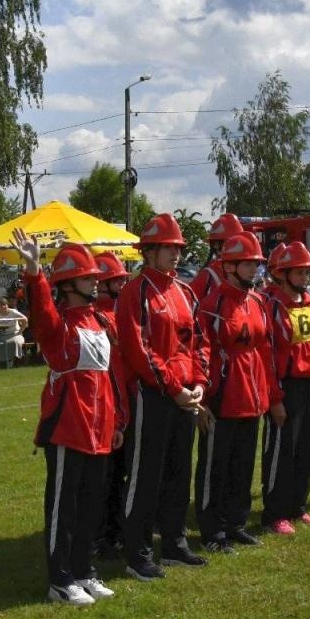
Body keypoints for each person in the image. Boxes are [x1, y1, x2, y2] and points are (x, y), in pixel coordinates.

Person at [13, 230, 127, 606]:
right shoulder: (58, 325)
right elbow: (41, 311)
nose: (95, 280)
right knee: (64, 509)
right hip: (68, 429)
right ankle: (60, 580)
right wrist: (34, 271)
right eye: (87, 276)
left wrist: (119, 422)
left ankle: (84, 572)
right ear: (67, 284)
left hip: (100, 430)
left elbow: (111, 378)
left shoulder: (99, 322)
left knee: (91, 508)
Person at [116, 212, 208, 579]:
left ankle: (174, 543)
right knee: (145, 475)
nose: (176, 254)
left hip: (185, 395)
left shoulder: (184, 292)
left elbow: (199, 342)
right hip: (153, 396)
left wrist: (199, 383)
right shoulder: (134, 292)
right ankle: (137, 553)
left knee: (177, 472)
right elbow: (139, 349)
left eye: (178, 248)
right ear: (149, 252)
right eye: (168, 248)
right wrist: (175, 389)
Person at [193, 232, 276, 552]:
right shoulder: (212, 305)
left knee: (242, 467)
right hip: (222, 400)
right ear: (229, 267)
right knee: (215, 468)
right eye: (249, 263)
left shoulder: (257, 301)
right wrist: (203, 400)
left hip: (251, 398)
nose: (255, 269)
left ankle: (235, 524)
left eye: (257, 263)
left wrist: (267, 394)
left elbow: (263, 350)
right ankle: (212, 532)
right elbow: (199, 351)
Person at [261, 241, 310, 535]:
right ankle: (275, 513)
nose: (305, 278)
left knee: (306, 448)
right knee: (282, 451)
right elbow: (269, 356)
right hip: (287, 388)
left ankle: (297, 507)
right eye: (300, 273)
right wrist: (275, 399)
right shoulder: (274, 306)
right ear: (285, 273)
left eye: (307, 273)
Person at [91, 252, 133, 556]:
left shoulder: (120, 313)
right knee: (104, 477)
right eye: (117, 279)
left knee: (119, 474)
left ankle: (115, 531)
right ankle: (100, 535)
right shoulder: (97, 318)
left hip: (125, 403)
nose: (123, 283)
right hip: (108, 406)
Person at [189, 212, 245, 307]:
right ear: (216, 245)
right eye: (232, 244)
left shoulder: (245, 273)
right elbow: (189, 307)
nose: (236, 249)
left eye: (238, 245)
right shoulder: (207, 276)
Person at [0, 297, 28, 366]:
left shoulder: (13, 312)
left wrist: (21, 331)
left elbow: (24, 319)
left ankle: (15, 360)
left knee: (15, 342)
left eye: (5, 304)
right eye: (1, 305)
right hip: (1, 335)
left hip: (15, 334)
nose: (3, 306)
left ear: (7, 305)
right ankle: (1, 361)